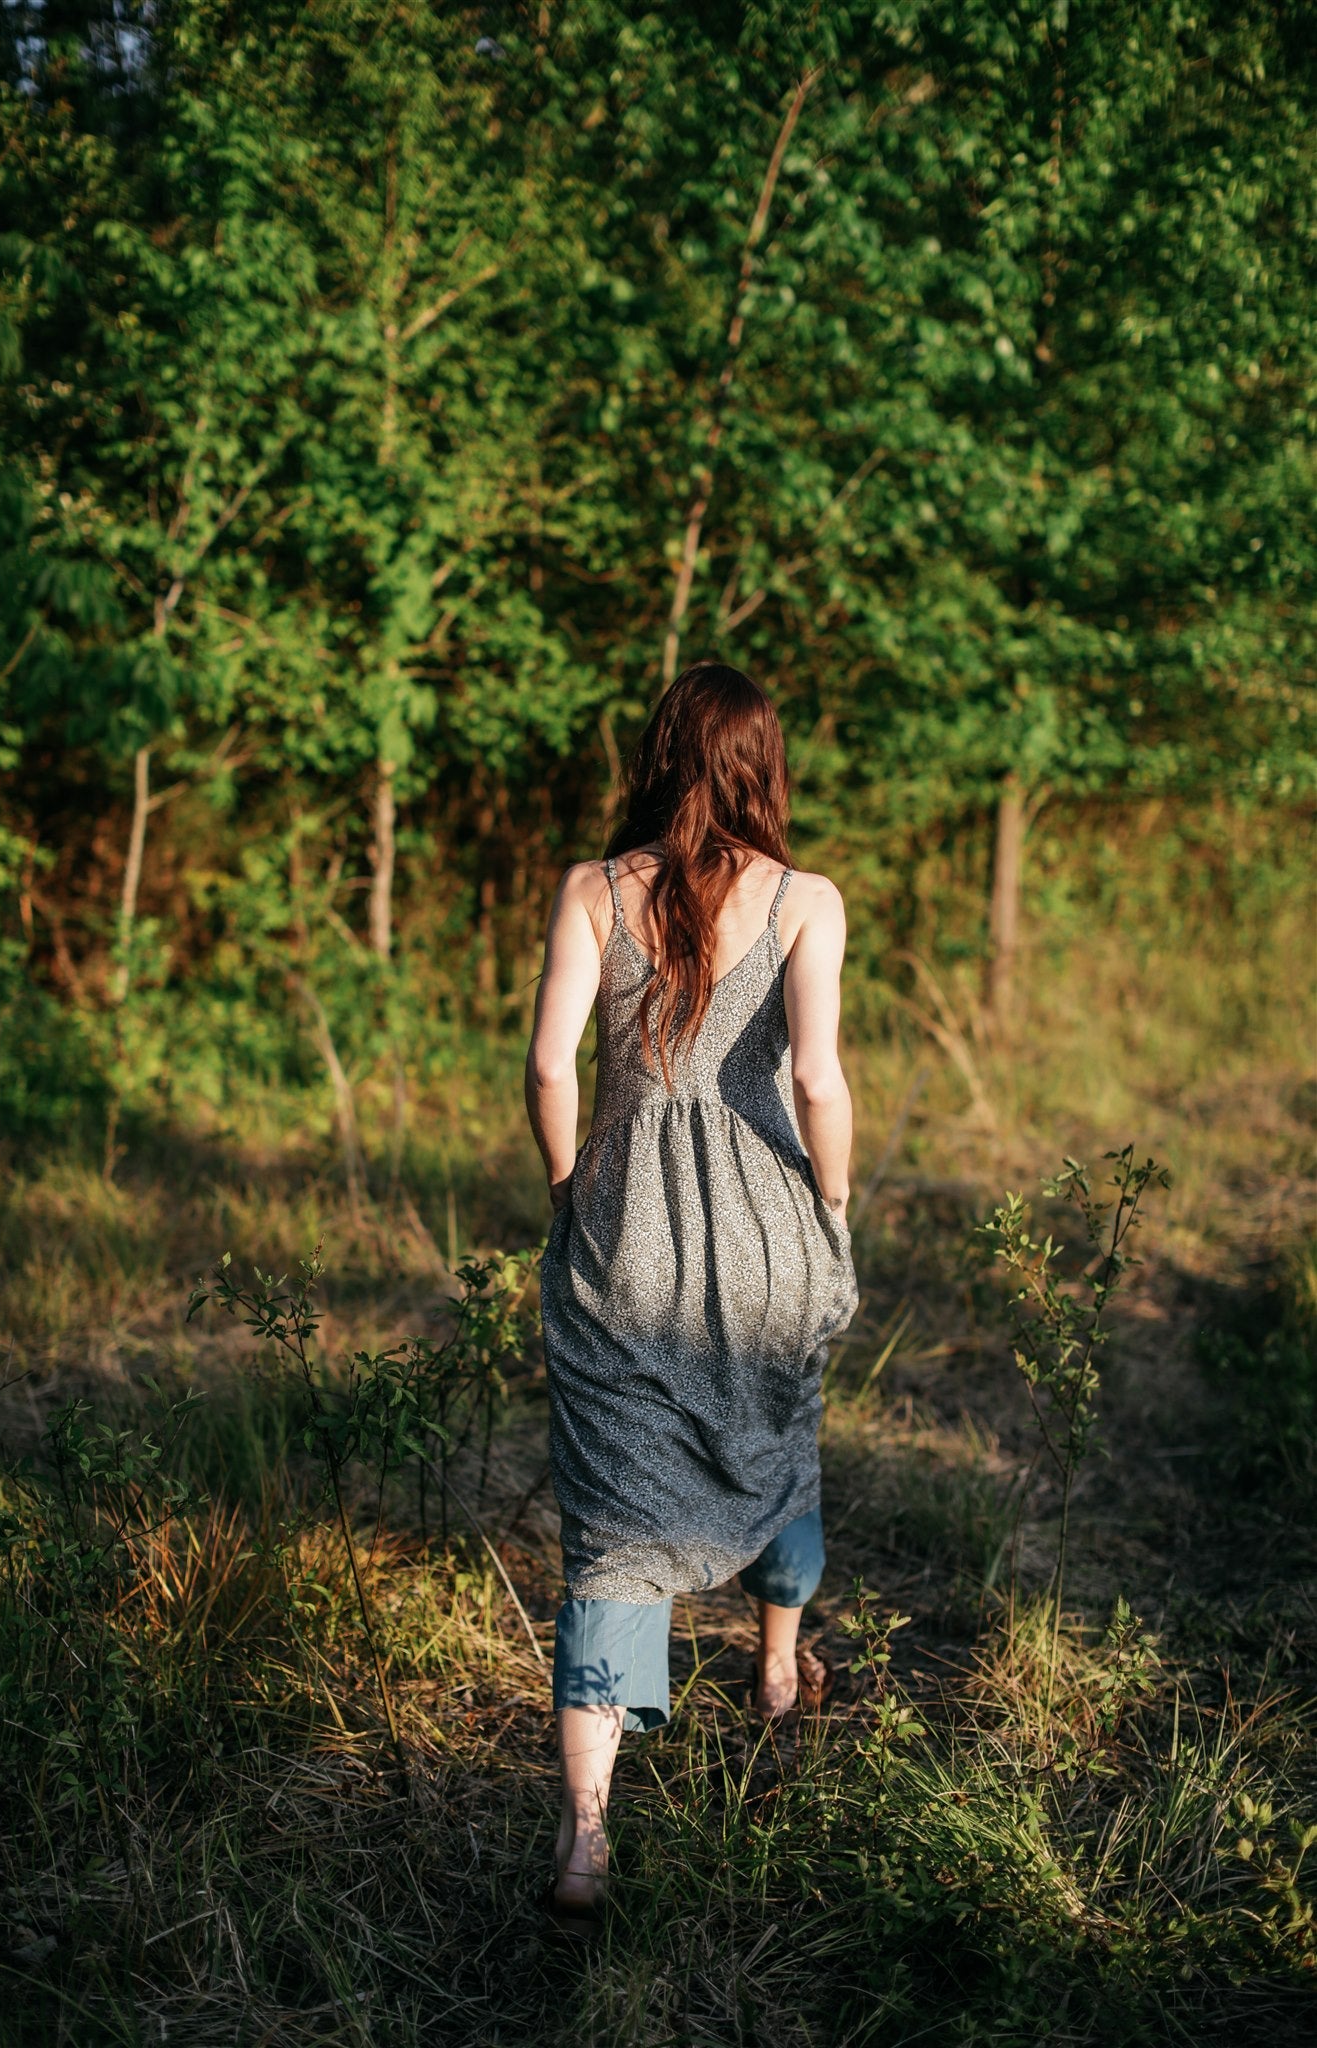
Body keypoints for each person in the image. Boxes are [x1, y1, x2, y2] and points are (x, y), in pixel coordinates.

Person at [524, 661, 859, 1935]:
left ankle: (588, 1837)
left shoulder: (592, 889)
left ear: (660, 756)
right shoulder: (809, 899)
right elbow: (819, 1079)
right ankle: (777, 1667)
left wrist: (574, 1187)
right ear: (762, 766)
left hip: (628, 1235)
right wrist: (828, 1205)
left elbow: (551, 1062)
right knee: (778, 1442)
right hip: (768, 1229)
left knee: (614, 1525)